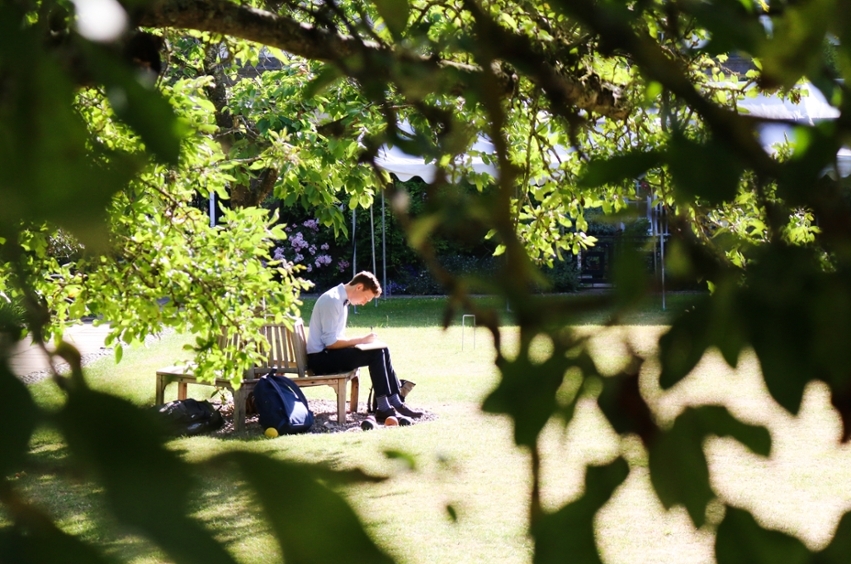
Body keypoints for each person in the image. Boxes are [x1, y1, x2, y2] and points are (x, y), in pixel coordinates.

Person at [306, 271, 422, 422]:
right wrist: (361, 340)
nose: (364, 303)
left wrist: (363, 343)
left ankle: (395, 402)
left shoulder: (341, 301)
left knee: (382, 349)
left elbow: (336, 340)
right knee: (375, 353)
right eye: (366, 298)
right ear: (359, 287)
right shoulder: (332, 300)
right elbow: (331, 343)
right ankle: (383, 407)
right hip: (320, 360)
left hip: (328, 354)